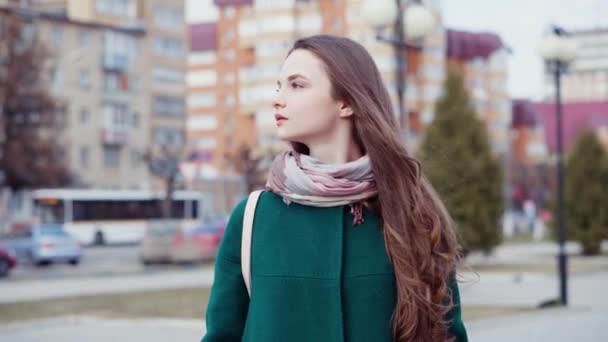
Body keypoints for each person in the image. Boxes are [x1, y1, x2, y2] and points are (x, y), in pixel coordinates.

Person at [202, 35, 468, 342]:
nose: (278, 98)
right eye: (279, 86)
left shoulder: (412, 215)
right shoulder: (253, 218)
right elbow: (221, 335)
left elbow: (446, 334)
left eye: (297, 85)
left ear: (346, 102)